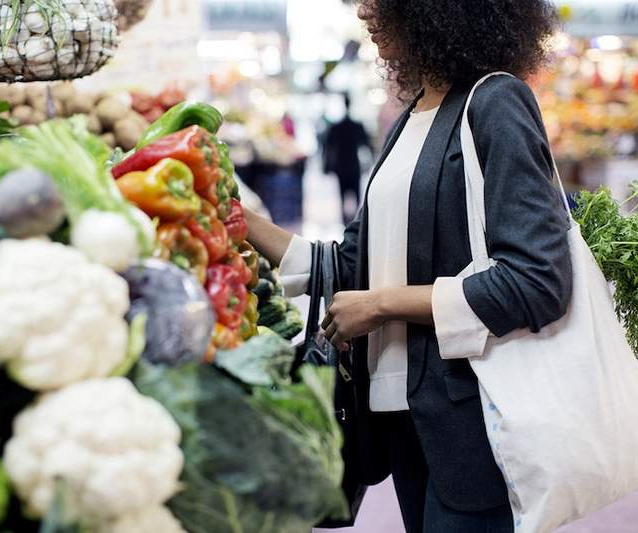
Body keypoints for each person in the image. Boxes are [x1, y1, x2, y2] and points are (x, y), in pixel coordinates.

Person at [245, 1, 572, 532]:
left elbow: (536, 281)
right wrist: (241, 222)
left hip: (474, 419)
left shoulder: (496, 103)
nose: (367, 11)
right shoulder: (414, 117)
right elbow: (354, 265)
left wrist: (381, 306)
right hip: (405, 416)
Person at [323, 94, 373, 223]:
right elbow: (367, 145)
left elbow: (328, 148)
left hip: (341, 165)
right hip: (353, 164)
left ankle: (344, 220)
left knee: (342, 194)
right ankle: (356, 221)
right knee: (356, 194)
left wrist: (326, 166)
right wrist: (370, 163)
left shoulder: (336, 127)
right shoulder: (357, 126)